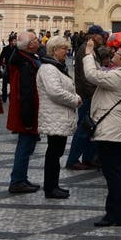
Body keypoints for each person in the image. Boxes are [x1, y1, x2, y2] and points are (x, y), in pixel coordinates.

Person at [83, 39, 121, 227]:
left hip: (111, 131)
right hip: (115, 129)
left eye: (118, 53)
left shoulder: (120, 77)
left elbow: (91, 75)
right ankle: (118, 212)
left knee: (113, 173)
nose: (114, 54)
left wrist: (88, 54)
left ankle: (115, 214)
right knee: (115, 172)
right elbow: (100, 74)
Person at [36, 36, 81, 199]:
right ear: (54, 50)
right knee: (53, 153)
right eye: (63, 48)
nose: (66, 51)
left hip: (58, 115)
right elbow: (55, 92)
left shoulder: (57, 67)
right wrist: (75, 99)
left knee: (56, 152)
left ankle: (53, 185)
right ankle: (50, 188)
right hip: (54, 115)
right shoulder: (49, 68)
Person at [66, 25, 106, 171]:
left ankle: (88, 158)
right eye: (101, 36)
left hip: (90, 95)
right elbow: (85, 77)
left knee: (91, 128)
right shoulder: (85, 50)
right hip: (87, 96)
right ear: (94, 35)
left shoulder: (91, 49)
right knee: (84, 128)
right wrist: (95, 95)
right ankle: (73, 159)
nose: (103, 38)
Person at [7, 30, 41, 193]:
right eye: (35, 39)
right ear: (30, 45)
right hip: (25, 114)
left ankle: (21, 178)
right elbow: (26, 93)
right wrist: (28, 121)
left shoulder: (25, 59)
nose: (38, 41)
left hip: (25, 112)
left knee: (26, 147)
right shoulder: (26, 64)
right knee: (24, 147)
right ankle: (18, 181)